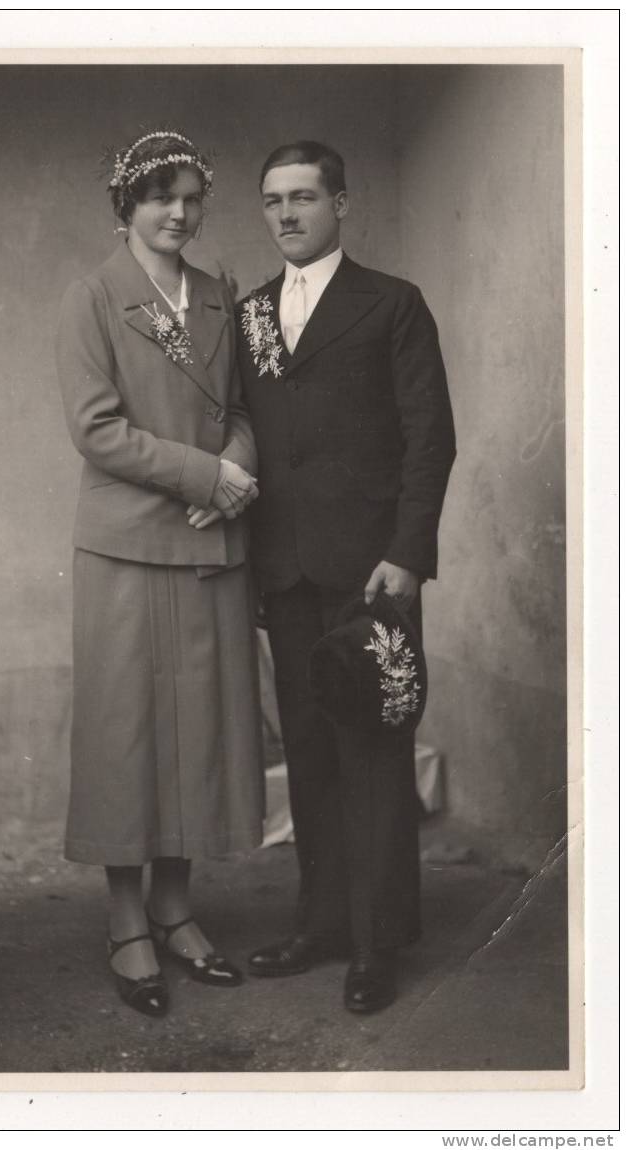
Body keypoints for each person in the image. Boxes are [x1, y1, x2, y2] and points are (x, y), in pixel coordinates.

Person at [232, 140, 456, 1015]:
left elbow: (428, 436)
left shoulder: (391, 304)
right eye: (272, 200)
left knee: (373, 753)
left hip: (371, 573)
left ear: (340, 204)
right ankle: (320, 924)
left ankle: (376, 944)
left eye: (302, 197)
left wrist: (406, 553)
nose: (286, 214)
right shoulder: (251, 315)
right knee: (313, 755)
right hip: (286, 572)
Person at [55, 129, 265, 1018]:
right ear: (124, 208)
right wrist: (201, 476)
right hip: (127, 546)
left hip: (209, 538)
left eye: (188, 198)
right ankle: (127, 921)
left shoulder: (220, 296)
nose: (176, 214)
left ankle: (178, 912)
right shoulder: (92, 298)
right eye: (157, 199)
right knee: (127, 734)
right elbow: (96, 430)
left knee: (197, 734)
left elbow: (246, 413)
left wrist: (235, 477)